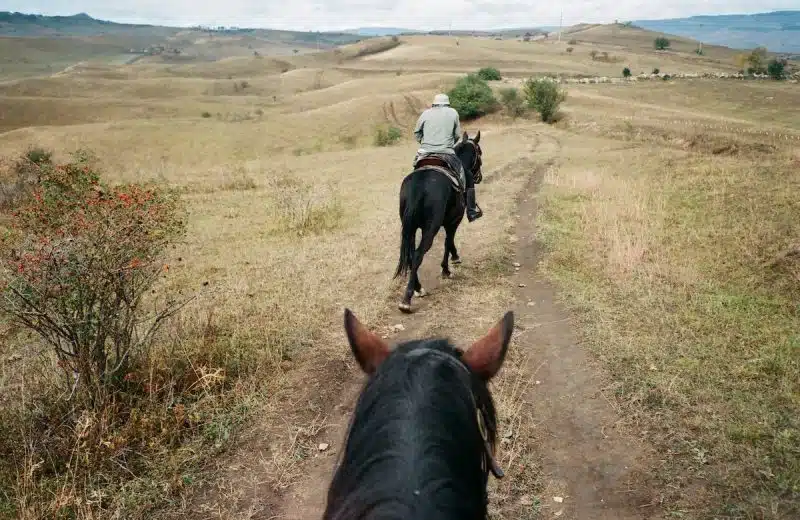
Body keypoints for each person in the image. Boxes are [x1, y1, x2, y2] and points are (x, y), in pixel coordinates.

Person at [412, 93, 483, 222]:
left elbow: (417, 133)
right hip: (446, 152)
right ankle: (471, 210)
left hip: (425, 152)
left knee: (416, 171)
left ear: (434, 104)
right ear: (447, 104)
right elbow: (456, 135)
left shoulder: (425, 113)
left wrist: (426, 142)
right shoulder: (453, 113)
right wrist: (449, 144)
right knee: (466, 175)